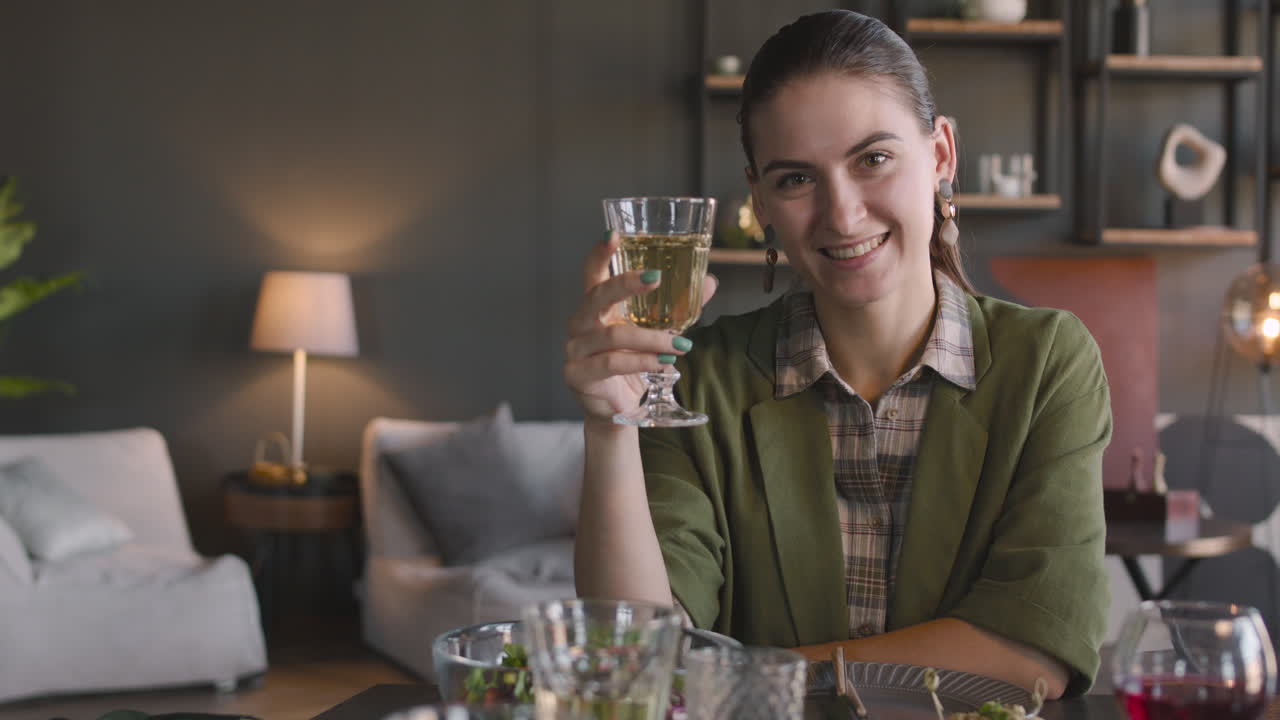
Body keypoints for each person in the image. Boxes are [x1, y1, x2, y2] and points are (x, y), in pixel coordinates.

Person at [563, 9, 1110, 700]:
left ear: (941, 154)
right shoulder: (702, 378)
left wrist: (752, 677)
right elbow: (639, 653)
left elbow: (1034, 652)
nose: (843, 215)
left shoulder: (1047, 362)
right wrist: (609, 425)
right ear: (760, 200)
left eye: (873, 159)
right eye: (795, 180)